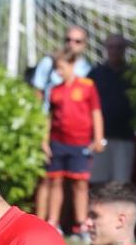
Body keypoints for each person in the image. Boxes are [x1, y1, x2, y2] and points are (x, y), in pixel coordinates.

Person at [30, 26, 93, 225]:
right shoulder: (48, 63)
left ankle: (68, 223)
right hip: (49, 129)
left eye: (77, 41)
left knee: (74, 181)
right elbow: (38, 95)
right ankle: (42, 223)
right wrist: (39, 130)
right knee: (47, 179)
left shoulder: (87, 69)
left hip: (76, 135)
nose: (72, 44)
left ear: (84, 45)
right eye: (68, 39)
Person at [40, 49, 104, 239]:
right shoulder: (54, 90)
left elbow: (96, 112)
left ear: (72, 64)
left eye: (61, 67)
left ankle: (82, 224)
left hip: (80, 143)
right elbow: (48, 118)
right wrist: (44, 141)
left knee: (80, 184)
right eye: (56, 68)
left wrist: (98, 138)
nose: (58, 72)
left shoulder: (87, 86)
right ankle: (53, 222)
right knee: (55, 182)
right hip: (57, 143)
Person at [88, 33, 136, 184]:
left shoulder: (133, 75)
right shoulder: (96, 74)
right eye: (111, 47)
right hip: (100, 138)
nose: (115, 51)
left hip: (125, 137)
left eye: (119, 47)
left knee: (121, 183)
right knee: (97, 183)